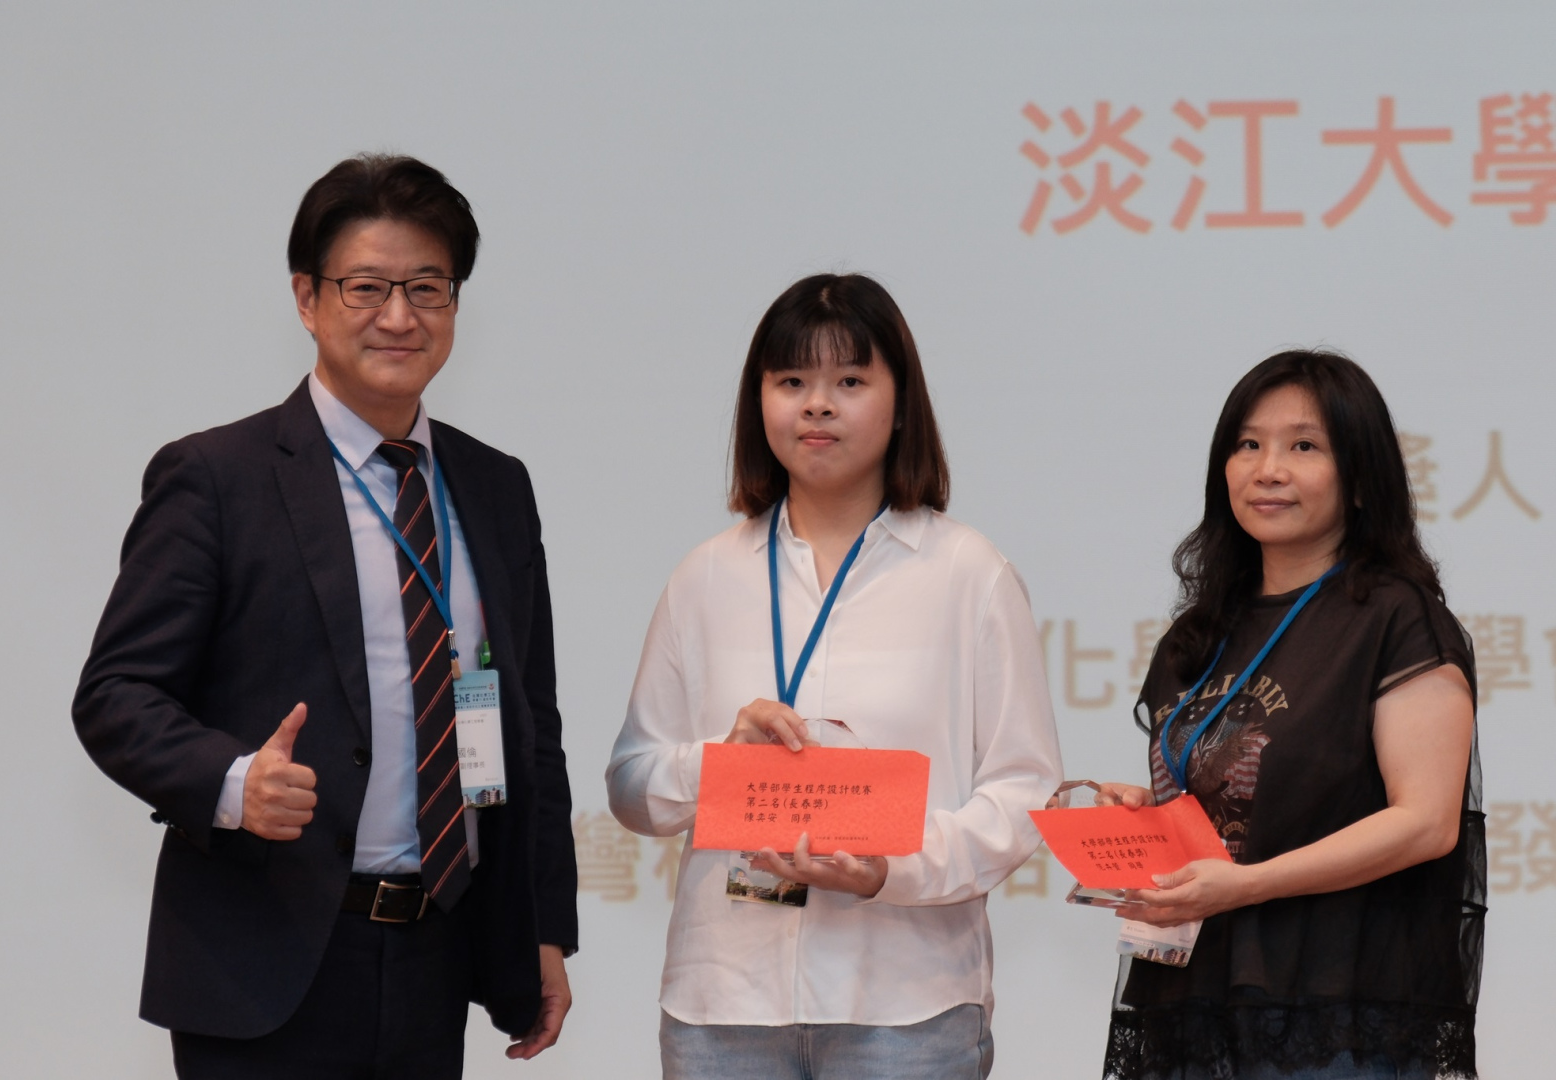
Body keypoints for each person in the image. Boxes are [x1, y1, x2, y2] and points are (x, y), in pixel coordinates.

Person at [72, 154, 578, 1077]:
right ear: (307, 298)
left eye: (427, 287)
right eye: (367, 286)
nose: (400, 316)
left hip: (436, 953)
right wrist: (233, 782)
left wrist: (543, 928)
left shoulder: (496, 487)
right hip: (265, 961)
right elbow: (115, 694)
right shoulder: (216, 478)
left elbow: (528, 726)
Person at [606, 273, 1064, 1080]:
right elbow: (631, 787)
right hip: (723, 1009)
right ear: (759, 404)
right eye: (792, 382)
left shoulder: (969, 573)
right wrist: (719, 766)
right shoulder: (705, 577)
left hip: (906, 1008)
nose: (817, 406)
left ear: (901, 403)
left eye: (850, 382)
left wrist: (892, 868)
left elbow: (1025, 793)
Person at [1097, 350, 1484, 1080]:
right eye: (1248, 444)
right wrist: (1150, 813)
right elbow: (1251, 797)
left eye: (1303, 446)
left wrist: (1248, 884)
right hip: (1192, 994)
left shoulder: (1396, 619)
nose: (1267, 469)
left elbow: (1426, 822)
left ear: (1361, 479)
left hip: (1331, 1012)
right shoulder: (1198, 635)